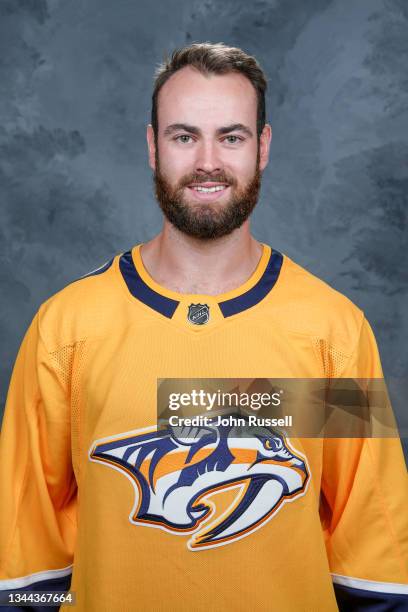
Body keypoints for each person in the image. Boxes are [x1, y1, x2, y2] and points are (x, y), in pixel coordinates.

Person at [0, 42, 407, 612]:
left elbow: (373, 559)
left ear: (262, 148)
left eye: (232, 136)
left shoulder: (332, 330)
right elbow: (24, 557)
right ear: (152, 145)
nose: (208, 162)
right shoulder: (66, 328)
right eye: (184, 136)